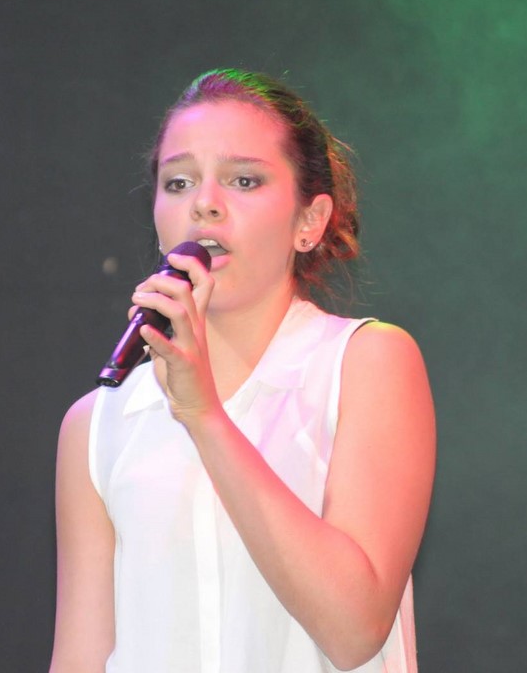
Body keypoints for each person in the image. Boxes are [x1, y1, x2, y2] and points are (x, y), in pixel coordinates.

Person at [50, 68, 436, 672]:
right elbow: (80, 657)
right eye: (179, 182)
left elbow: (355, 629)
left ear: (309, 221)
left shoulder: (364, 363)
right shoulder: (99, 424)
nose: (204, 203)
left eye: (243, 180)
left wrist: (203, 415)